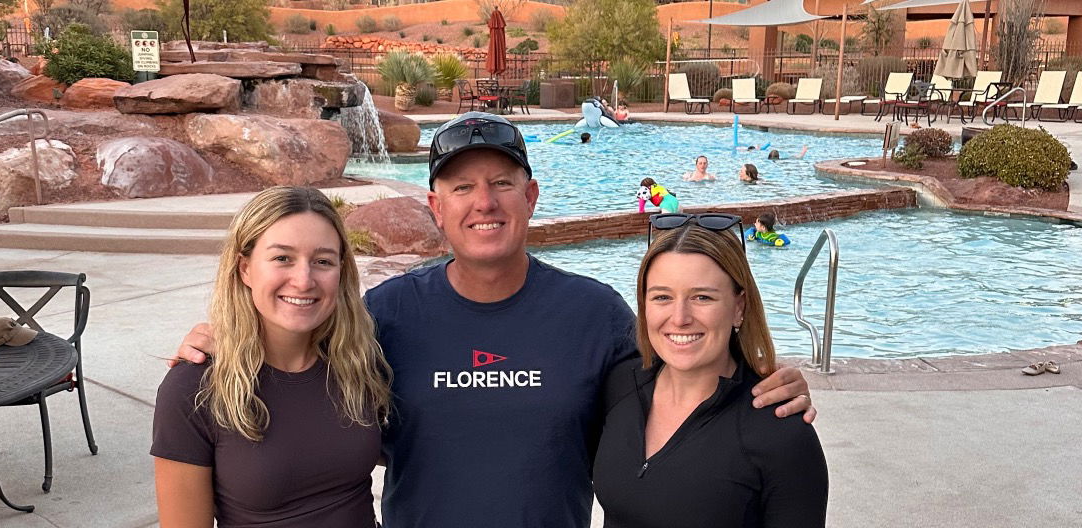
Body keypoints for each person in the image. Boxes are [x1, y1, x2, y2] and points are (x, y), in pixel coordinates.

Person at [172, 112, 816, 528]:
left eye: (502, 183)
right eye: (461, 187)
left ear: (531, 196)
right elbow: (299, 358)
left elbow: (677, 388)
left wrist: (761, 383)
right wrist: (226, 338)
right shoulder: (385, 315)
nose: (484, 202)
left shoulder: (595, 313)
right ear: (435, 207)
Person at [152, 187, 392, 527]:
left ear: (341, 272)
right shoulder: (194, 388)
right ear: (245, 269)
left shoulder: (358, 362)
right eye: (283, 258)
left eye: (322, 261)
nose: (304, 280)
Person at [594, 216, 828, 527]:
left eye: (702, 297)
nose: (679, 318)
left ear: (739, 307)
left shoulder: (780, 433)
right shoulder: (619, 386)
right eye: (662, 297)